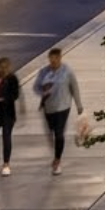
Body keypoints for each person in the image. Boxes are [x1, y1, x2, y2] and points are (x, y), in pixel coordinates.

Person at [33, 48, 83, 176]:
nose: (53, 62)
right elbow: (36, 87)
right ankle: (56, 152)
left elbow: (74, 88)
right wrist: (43, 90)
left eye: (55, 59)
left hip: (63, 106)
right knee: (51, 131)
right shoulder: (43, 72)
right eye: (51, 60)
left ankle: (57, 160)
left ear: (60, 58)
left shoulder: (67, 71)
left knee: (59, 133)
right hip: (49, 107)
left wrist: (79, 105)